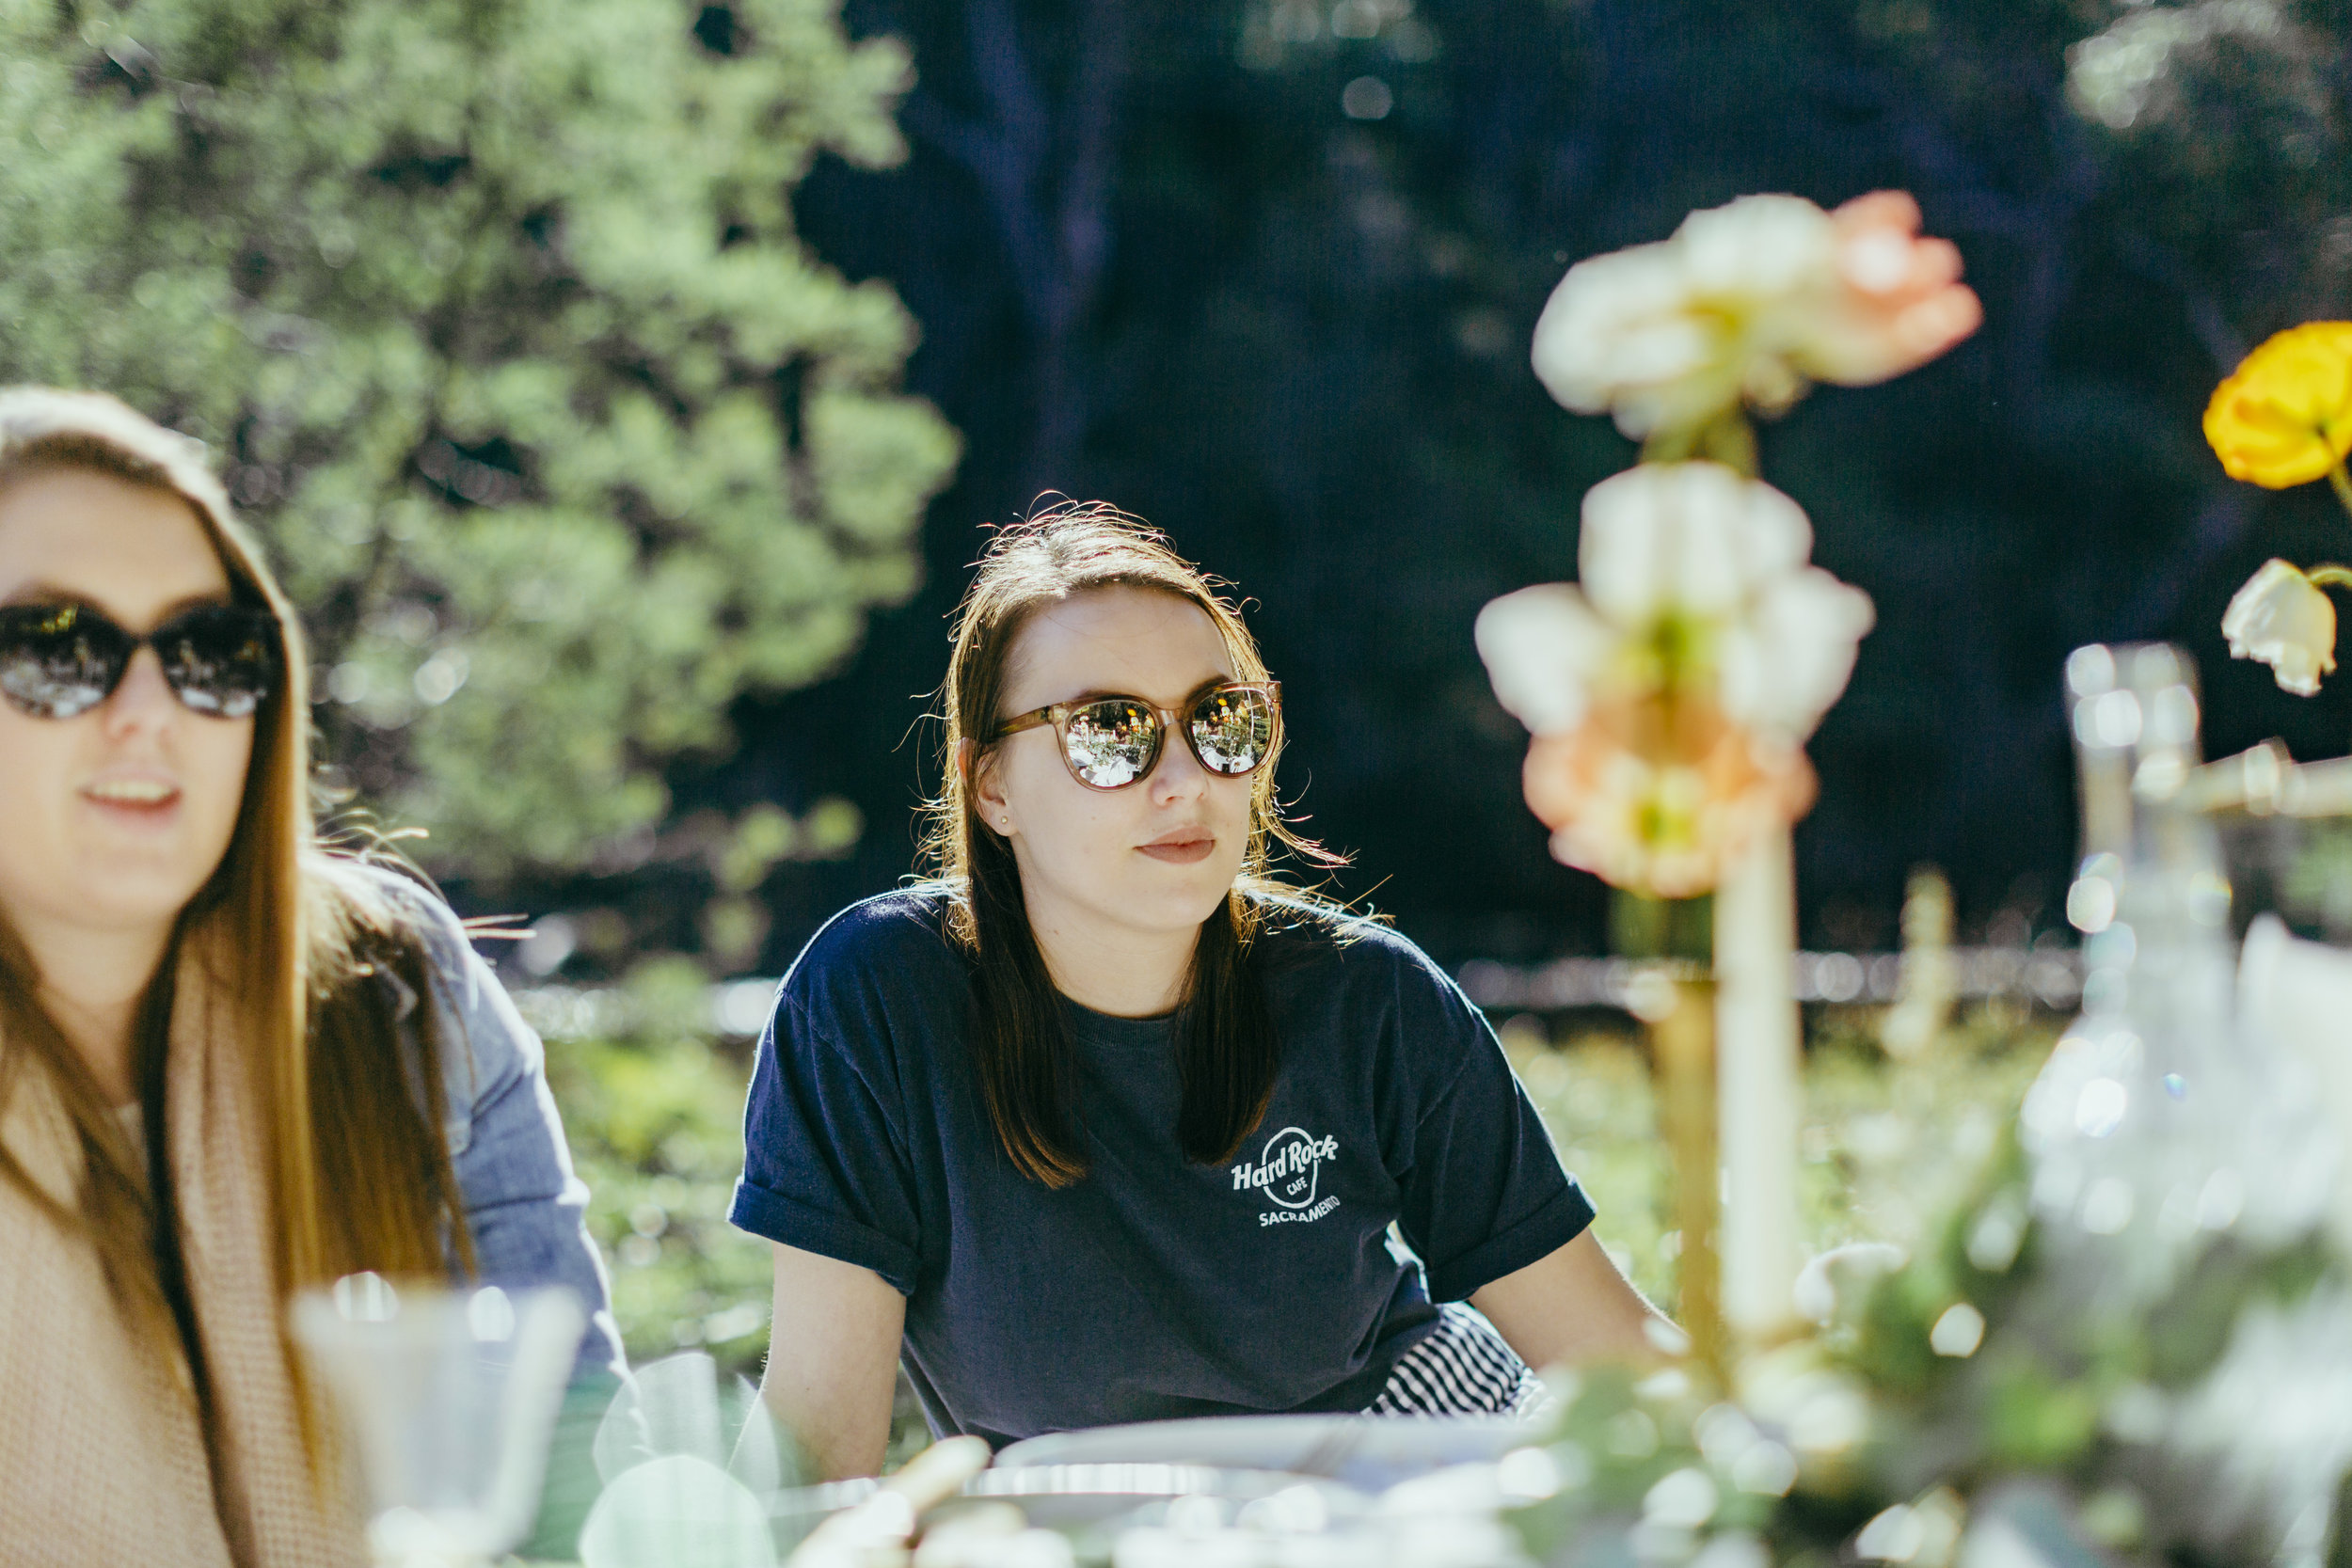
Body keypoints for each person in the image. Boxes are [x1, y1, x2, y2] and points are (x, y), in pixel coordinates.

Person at [734, 503, 1671, 1479]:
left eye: (1220, 720)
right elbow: (818, 1448)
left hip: (1412, 1473)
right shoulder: (873, 1000)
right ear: (991, 786)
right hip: (1081, 1530)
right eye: (1108, 729)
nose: (1184, 778)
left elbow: (1611, 1353)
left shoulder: (1371, 998)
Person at [0, 388, 619, 1568]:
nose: (150, 710)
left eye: (205, 653)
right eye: (57, 650)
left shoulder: (397, 992)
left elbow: (582, 1499)